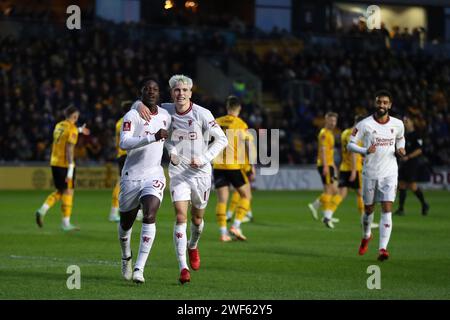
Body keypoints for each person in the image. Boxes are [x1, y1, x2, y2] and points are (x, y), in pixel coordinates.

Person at [136, 74, 228, 284]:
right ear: (172, 93)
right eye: (177, 90)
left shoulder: (202, 114)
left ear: (190, 93)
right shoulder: (165, 110)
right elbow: (143, 107)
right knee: (180, 217)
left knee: (197, 218)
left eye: (185, 90)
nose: (181, 94)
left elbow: (221, 139)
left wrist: (204, 158)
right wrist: (172, 151)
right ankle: (183, 267)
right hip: (178, 172)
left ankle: (193, 246)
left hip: (201, 173)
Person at [117, 78, 170, 284]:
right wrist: (152, 137)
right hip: (131, 176)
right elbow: (124, 143)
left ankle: (139, 268)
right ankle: (125, 256)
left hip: (154, 175)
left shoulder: (166, 115)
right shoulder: (132, 114)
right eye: (147, 89)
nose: (151, 92)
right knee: (125, 224)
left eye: (155, 89)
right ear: (141, 93)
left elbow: (170, 137)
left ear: (159, 93)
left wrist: (173, 152)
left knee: (149, 215)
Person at [348, 90, 406, 261]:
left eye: (385, 102)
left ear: (390, 105)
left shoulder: (398, 124)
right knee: (368, 209)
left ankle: (382, 249)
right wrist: (365, 150)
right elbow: (350, 145)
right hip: (370, 173)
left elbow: (401, 138)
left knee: (387, 208)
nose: (382, 105)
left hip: (390, 172)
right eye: (379, 102)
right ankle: (366, 235)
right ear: (375, 103)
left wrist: (401, 149)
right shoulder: (364, 124)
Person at [35, 106, 90, 231]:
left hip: (54, 162)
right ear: (74, 116)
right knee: (68, 191)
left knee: (60, 191)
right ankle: (65, 223)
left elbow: (66, 134)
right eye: (77, 116)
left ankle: (42, 210)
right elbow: (70, 150)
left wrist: (80, 129)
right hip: (65, 164)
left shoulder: (59, 125)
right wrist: (70, 169)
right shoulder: (72, 130)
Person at [213, 95, 256, 242]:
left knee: (222, 201)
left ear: (227, 107)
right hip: (233, 166)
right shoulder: (240, 124)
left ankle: (224, 233)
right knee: (246, 196)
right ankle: (236, 226)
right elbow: (248, 144)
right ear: (239, 108)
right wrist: (251, 165)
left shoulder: (217, 122)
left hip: (218, 165)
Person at [335, 115, 378, 229]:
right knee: (362, 195)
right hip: (354, 168)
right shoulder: (356, 134)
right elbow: (353, 153)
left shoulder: (345, 133)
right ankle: (365, 220)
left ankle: (328, 214)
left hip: (344, 166)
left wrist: (361, 158)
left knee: (342, 193)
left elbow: (346, 151)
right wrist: (354, 170)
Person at [109, 101, 143, 222]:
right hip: (127, 155)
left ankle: (135, 210)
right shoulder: (127, 122)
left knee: (133, 182)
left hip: (122, 154)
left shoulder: (119, 122)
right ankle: (115, 211)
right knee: (125, 183)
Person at [307, 112, 342, 229]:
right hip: (324, 165)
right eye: (330, 120)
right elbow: (322, 151)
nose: (333, 123)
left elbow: (329, 152)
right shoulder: (324, 133)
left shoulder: (331, 134)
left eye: (334, 121)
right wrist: (326, 166)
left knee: (335, 190)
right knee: (329, 191)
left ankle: (316, 205)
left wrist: (333, 166)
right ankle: (327, 218)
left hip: (330, 165)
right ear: (326, 121)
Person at [395, 115, 429, 216]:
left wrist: (408, 157)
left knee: (412, 186)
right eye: (404, 121)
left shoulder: (416, 135)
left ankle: (424, 204)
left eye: (406, 121)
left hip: (412, 163)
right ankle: (401, 209)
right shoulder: (404, 135)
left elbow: (419, 150)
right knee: (401, 184)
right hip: (404, 163)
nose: (405, 123)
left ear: (412, 122)